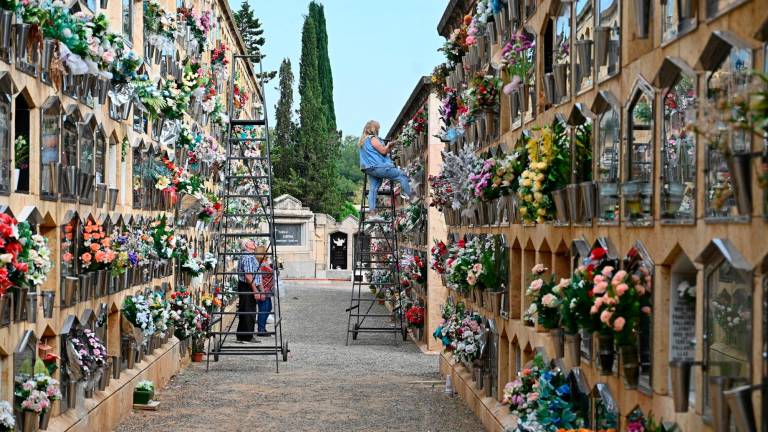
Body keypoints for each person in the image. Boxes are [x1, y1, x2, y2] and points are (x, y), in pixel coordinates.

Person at [358, 120, 417, 216]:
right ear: (374, 128)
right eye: (378, 128)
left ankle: (372, 213)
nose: (378, 130)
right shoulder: (372, 138)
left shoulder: (363, 141)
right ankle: (411, 197)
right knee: (401, 175)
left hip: (369, 169)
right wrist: (389, 145)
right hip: (379, 166)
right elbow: (383, 151)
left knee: (374, 188)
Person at [235, 239, 260, 342]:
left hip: (248, 285)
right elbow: (249, 276)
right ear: (246, 246)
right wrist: (255, 291)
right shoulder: (248, 257)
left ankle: (243, 334)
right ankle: (246, 336)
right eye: (250, 241)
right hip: (247, 286)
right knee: (248, 311)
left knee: (247, 310)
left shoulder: (249, 255)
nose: (253, 242)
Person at [254, 246, 274, 337]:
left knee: (268, 307)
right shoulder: (262, 264)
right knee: (264, 309)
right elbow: (270, 273)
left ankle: (262, 327)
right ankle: (261, 329)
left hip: (266, 290)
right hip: (263, 290)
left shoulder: (263, 263)